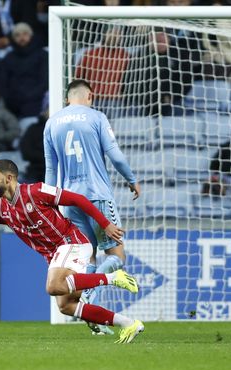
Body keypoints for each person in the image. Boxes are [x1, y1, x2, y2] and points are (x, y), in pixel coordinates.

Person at [0, 159, 146, 344]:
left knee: (54, 286)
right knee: (66, 306)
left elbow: (77, 199)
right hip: (56, 255)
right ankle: (128, 324)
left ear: (9, 177)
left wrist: (105, 224)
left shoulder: (36, 191)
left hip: (71, 242)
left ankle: (111, 277)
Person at [44, 79, 140, 336]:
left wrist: (51, 202)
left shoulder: (52, 123)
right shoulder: (96, 116)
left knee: (88, 258)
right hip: (97, 197)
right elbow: (115, 155)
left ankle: (88, 308)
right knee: (117, 258)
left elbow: (51, 170)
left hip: (69, 202)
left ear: (67, 98)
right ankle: (92, 290)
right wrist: (132, 180)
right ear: (90, 96)